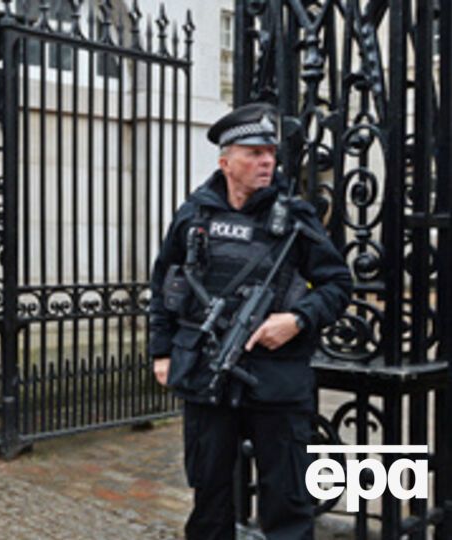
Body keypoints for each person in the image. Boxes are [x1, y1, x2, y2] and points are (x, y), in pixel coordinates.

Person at [148, 102, 353, 539]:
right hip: (207, 373)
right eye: (254, 153)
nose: (266, 162)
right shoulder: (194, 215)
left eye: (271, 154)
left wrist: (296, 320)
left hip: (275, 380)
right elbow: (164, 284)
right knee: (210, 497)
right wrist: (160, 351)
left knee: (288, 502)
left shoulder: (296, 218)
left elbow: (338, 285)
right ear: (225, 161)